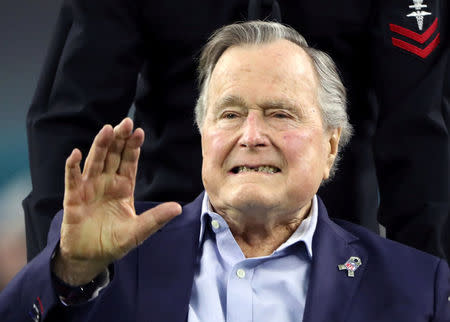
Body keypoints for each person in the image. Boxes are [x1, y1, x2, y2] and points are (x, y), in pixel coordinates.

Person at [2, 22, 449, 322]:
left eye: (280, 114)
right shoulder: (105, 260)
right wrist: (70, 272)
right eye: (230, 114)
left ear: (332, 145)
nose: (251, 136)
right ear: (202, 136)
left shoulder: (418, 288)